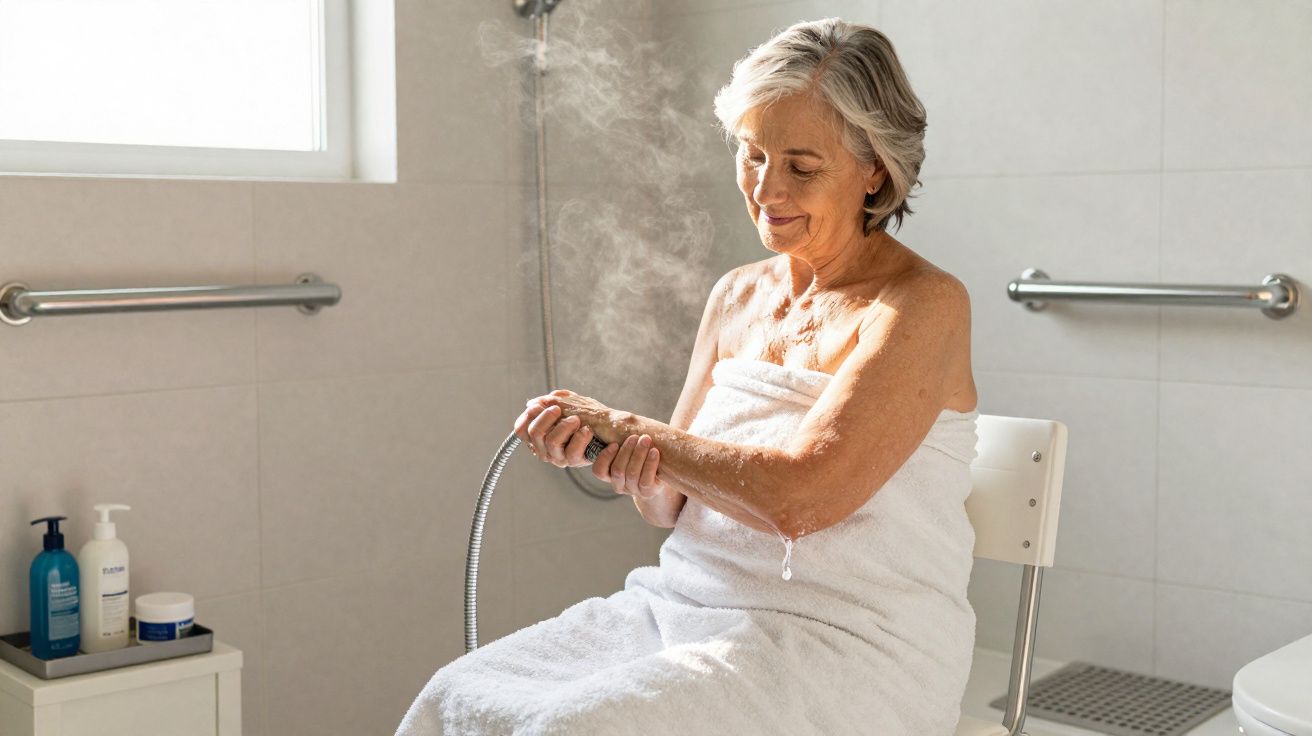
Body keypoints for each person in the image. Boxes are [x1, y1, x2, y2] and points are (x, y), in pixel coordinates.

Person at [399, 17, 979, 735]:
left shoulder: (921, 305)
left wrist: (635, 430)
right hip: (682, 608)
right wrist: (623, 462)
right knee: (456, 696)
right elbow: (671, 504)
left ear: (875, 172)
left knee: (568, 729)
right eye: (752, 153)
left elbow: (801, 499)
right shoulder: (736, 296)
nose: (767, 188)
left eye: (801, 166)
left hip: (848, 645)